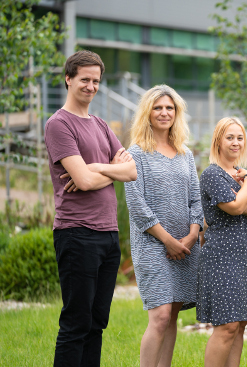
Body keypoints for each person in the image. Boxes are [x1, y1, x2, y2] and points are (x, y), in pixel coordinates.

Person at [44, 50, 137, 366]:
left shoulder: (100, 124)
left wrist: (96, 167)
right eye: (85, 79)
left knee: (97, 323)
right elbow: (81, 181)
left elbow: (131, 171)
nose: (91, 86)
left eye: (96, 81)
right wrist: (108, 169)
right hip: (77, 233)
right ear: (68, 79)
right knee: (76, 323)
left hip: (108, 235)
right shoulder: (58, 124)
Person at [124, 85, 203, 366]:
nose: (164, 113)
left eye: (169, 108)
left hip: (185, 246)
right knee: (159, 317)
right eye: (158, 107)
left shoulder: (185, 154)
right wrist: (167, 240)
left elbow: (196, 197)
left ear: (177, 113)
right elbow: (136, 204)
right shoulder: (136, 154)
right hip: (152, 246)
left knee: (172, 316)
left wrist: (193, 233)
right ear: (147, 113)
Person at [197, 117, 247, 367]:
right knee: (227, 325)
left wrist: (244, 204)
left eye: (240, 138)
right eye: (230, 137)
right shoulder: (212, 174)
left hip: (245, 252)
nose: (236, 143)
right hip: (222, 255)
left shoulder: (239, 172)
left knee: (240, 325)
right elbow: (237, 207)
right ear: (218, 141)